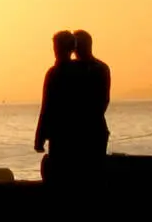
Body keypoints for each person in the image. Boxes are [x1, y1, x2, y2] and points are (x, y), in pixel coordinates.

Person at [35, 31, 77, 158]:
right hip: (80, 133)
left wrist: (39, 138)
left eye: (56, 47)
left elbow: (47, 106)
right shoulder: (82, 70)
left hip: (59, 134)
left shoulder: (54, 73)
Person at [72, 30, 111, 160]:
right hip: (87, 130)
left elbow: (103, 101)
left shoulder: (99, 68)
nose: (75, 50)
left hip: (92, 130)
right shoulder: (72, 68)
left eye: (77, 45)